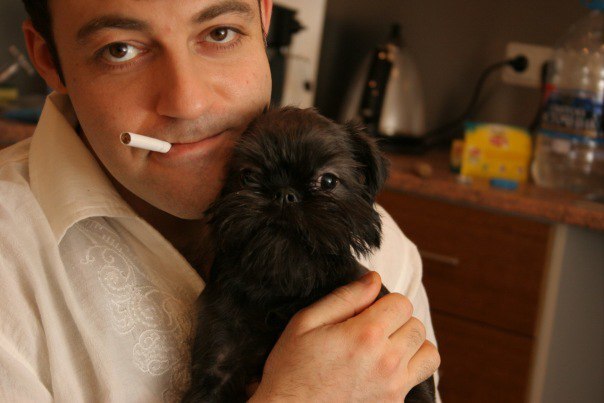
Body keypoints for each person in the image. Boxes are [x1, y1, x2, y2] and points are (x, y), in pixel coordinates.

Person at [0, 0, 441, 401]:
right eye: (120, 50)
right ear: (48, 58)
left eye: (219, 32)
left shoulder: (388, 249)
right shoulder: (11, 262)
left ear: (264, 18)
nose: (188, 102)